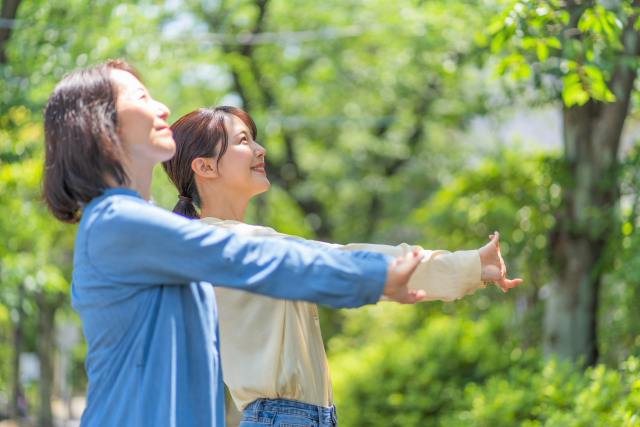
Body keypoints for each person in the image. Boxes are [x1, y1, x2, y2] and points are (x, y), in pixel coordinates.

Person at [42, 60, 441, 427]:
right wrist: (372, 277)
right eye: (142, 97)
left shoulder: (137, 227)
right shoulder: (118, 223)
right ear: (99, 124)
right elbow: (248, 258)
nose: (162, 107)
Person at [162, 106, 521, 427]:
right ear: (205, 166)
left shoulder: (217, 244)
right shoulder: (232, 244)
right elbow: (343, 259)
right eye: (243, 141)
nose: (260, 149)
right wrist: (469, 265)